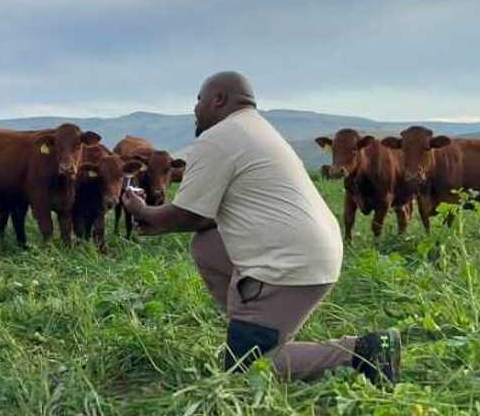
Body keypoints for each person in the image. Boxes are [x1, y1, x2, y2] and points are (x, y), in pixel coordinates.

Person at [120, 71, 402, 384]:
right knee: (208, 244)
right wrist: (154, 220)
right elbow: (202, 220)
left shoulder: (218, 138)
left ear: (219, 100)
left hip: (292, 263)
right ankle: (251, 325)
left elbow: (186, 215)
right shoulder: (256, 131)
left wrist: (140, 209)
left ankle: (364, 351)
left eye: (199, 100)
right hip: (311, 250)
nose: (195, 109)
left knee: (244, 369)